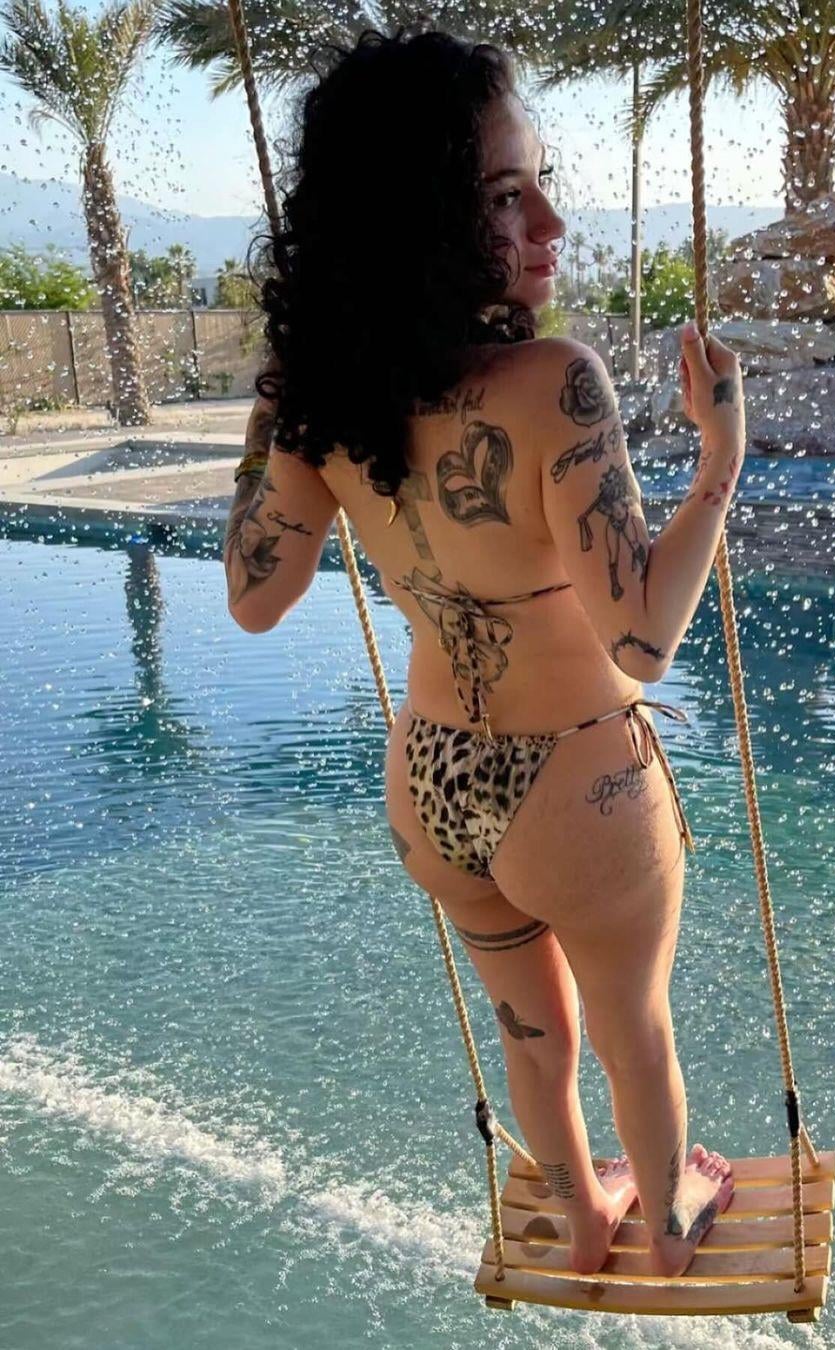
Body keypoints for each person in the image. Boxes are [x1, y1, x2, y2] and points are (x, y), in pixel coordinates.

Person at [251, 26, 746, 1277]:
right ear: (423, 219)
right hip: (576, 785)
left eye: (539, 185)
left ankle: (581, 1222)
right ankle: (671, 1226)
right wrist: (718, 469)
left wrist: (275, 408)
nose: (550, 223)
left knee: (536, 1037)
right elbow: (644, 636)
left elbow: (258, 597)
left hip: (429, 780)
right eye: (505, 195)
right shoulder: (552, 383)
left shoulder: (321, 396)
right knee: (632, 1034)